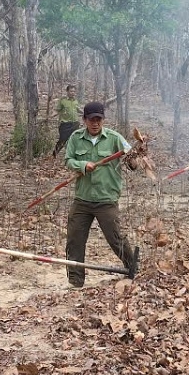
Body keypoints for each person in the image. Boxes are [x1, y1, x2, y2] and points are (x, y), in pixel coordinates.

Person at [63, 101, 139, 288]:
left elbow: (132, 160)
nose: (95, 123)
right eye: (91, 120)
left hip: (106, 199)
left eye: (99, 119)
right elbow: (68, 160)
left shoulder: (115, 138)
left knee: (115, 238)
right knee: (75, 239)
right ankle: (75, 280)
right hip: (82, 199)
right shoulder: (76, 137)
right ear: (85, 120)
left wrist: (135, 158)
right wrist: (82, 165)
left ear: (103, 120)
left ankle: (134, 270)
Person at [52, 84, 80, 158]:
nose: (73, 93)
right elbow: (57, 110)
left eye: (74, 91)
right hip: (65, 124)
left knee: (75, 139)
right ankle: (54, 155)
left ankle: (72, 156)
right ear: (67, 91)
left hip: (75, 123)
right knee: (62, 140)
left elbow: (78, 109)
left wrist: (86, 113)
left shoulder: (75, 101)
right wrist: (49, 116)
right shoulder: (63, 101)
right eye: (71, 91)